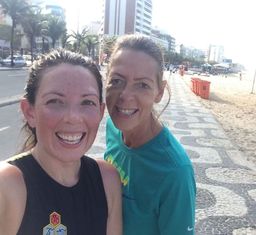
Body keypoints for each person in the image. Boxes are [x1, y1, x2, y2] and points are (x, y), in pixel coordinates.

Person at [0, 49, 122, 235]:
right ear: (29, 112)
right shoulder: (8, 185)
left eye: (87, 103)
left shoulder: (107, 180)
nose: (73, 117)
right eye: (55, 101)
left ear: (100, 111)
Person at [104, 35, 196, 235]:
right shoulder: (112, 126)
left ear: (159, 92)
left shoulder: (175, 172)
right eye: (117, 81)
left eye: (142, 85)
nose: (125, 95)